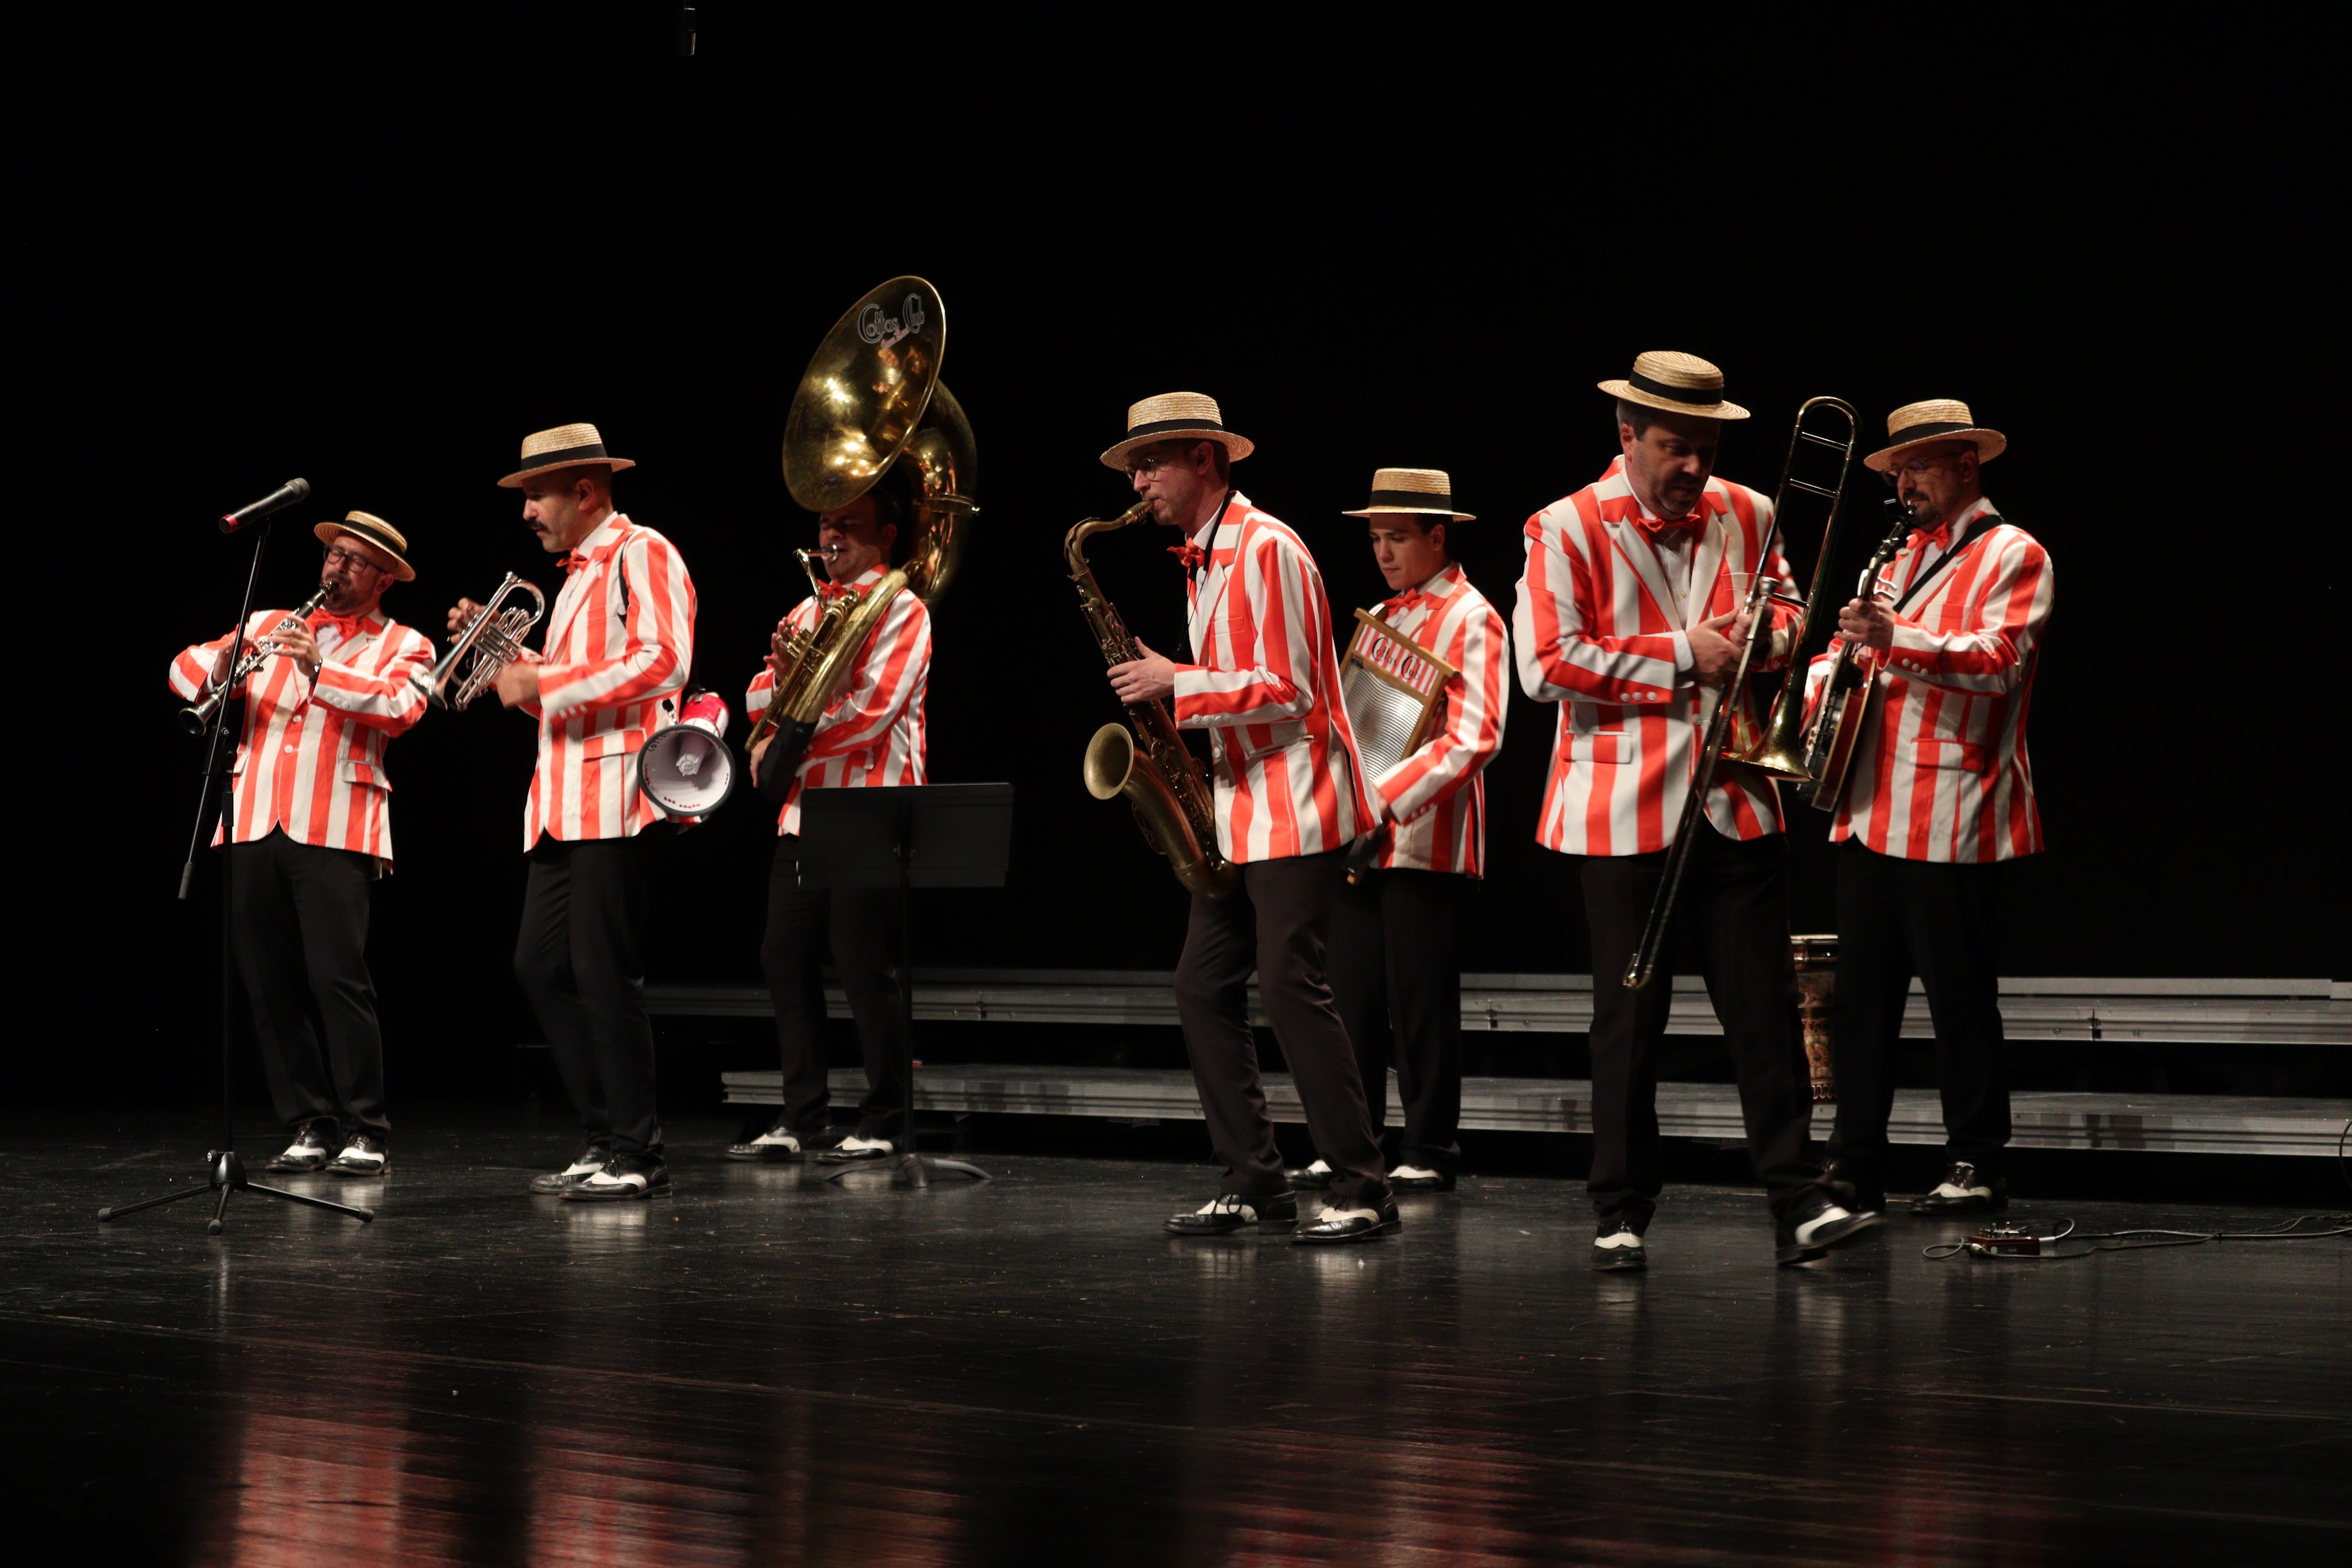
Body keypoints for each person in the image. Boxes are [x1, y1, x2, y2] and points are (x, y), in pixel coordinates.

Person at [1512, 351, 1865, 1269]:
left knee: (1766, 1014)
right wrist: (1683, 653)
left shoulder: (1749, 510)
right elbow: (1544, 665)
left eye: (1706, 447)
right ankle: (1620, 1209)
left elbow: (1792, 614)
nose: (1695, 466)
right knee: (1630, 1022)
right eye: (1676, 446)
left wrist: (1765, 637)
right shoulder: (1563, 525)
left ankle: (1800, 1200)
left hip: (1736, 797)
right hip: (1621, 809)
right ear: (1627, 435)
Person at [1100, 392, 1396, 1244]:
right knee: (1200, 985)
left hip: (1299, 800)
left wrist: (1177, 682)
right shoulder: (1204, 557)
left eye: (1151, 464)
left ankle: (1364, 1184)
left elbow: (1292, 689)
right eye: (1133, 467)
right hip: (1240, 807)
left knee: (1291, 984)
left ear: (1206, 458)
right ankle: (1256, 1180)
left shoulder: (1269, 547)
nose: (1138, 482)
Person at [1813, 400, 2053, 1218]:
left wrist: (1893, 638)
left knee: (1959, 1000)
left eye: (1919, 467)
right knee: (1861, 1003)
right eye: (1898, 470)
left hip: (1955, 808)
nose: (1905, 484)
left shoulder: (2014, 552)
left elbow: (2000, 662)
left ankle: (1977, 1162)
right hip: (1869, 803)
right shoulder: (1895, 557)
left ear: (1966, 464)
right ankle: (1854, 1166)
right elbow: (1849, 652)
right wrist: (1815, 691)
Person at [454, 423, 695, 1202]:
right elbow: (563, 695)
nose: (526, 512)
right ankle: (602, 1136)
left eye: (537, 495)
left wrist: (545, 681)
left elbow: (664, 661)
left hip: (618, 799)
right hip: (561, 803)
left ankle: (638, 1151)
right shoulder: (571, 580)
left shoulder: (641, 551)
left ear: (584, 491)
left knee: (603, 973)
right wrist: (505, 657)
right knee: (539, 966)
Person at [168, 512, 432, 1178]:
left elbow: (400, 709)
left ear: (383, 580)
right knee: (267, 983)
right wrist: (224, 663)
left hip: (336, 826)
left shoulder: (406, 643)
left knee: (336, 978)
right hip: (253, 818)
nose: (336, 567)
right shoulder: (269, 622)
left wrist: (320, 668)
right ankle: (309, 1124)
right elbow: (181, 667)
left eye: (354, 561)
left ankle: (366, 1130)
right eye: (333, 555)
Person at [1289, 468, 1507, 1195]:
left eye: (1398, 538)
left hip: (1423, 837)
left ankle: (1431, 1147)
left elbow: (1476, 735)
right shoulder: (1384, 614)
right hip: (1358, 833)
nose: (1382, 552)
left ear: (1437, 536)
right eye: (1376, 538)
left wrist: (1379, 794)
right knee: (1347, 999)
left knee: (1419, 1004)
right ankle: (1350, 1143)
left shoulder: (1473, 616)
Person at [728, 486, 930, 1166]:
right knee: (782, 955)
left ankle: (888, 1118)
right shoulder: (805, 609)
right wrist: (791, 682)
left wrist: (791, 734)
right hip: (805, 811)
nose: (830, 535)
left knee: (862, 962)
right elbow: (756, 696)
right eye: (825, 523)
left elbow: (872, 712)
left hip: (870, 805)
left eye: (849, 523)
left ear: (886, 535)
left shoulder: (902, 609)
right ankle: (803, 1115)